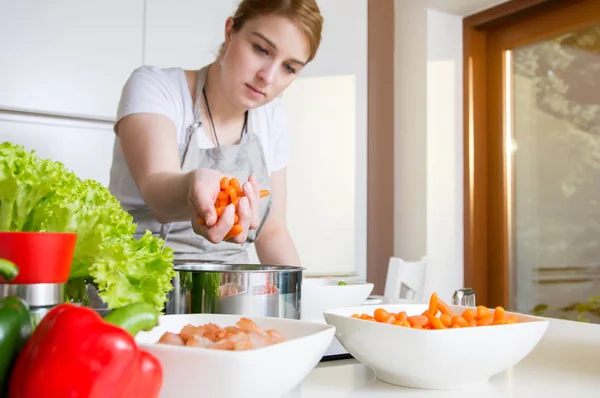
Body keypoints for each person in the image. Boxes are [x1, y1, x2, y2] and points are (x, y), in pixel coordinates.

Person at [108, 0, 323, 266]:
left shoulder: (273, 119)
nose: (268, 77)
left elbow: (272, 232)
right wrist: (193, 184)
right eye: (261, 49)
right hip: (138, 278)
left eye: (289, 68)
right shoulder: (156, 87)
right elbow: (157, 194)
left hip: (228, 289)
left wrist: (298, 298)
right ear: (230, 31)